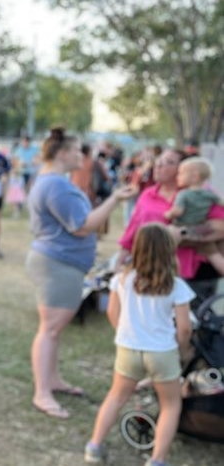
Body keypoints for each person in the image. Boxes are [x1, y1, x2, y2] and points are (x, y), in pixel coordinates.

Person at [26, 127, 136, 419]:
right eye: (77, 150)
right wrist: (115, 199)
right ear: (62, 153)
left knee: (53, 329)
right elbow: (82, 225)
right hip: (57, 265)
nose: (81, 155)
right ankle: (42, 393)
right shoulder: (57, 185)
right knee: (50, 329)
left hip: (59, 263)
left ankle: (52, 380)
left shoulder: (50, 181)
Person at [84, 223, 194, 466]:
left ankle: (94, 446)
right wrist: (181, 348)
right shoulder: (177, 286)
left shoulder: (122, 279)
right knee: (170, 404)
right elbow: (185, 328)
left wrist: (127, 334)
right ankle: (156, 460)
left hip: (128, 348)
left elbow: (113, 313)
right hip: (162, 352)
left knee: (116, 396)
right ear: (169, 250)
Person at [117, 149, 224, 302]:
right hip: (152, 269)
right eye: (159, 160)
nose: (159, 165)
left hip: (194, 274)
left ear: (184, 169)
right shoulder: (148, 194)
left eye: (169, 162)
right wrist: (120, 260)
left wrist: (182, 233)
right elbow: (133, 230)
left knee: (192, 322)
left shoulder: (201, 194)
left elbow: (221, 227)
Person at [164, 157, 221, 239]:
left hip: (183, 228)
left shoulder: (183, 194)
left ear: (195, 176)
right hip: (200, 229)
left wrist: (168, 214)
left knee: (170, 232)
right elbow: (221, 202)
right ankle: (213, 252)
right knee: (209, 249)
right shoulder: (210, 194)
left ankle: (172, 251)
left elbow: (177, 211)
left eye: (181, 173)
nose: (177, 177)